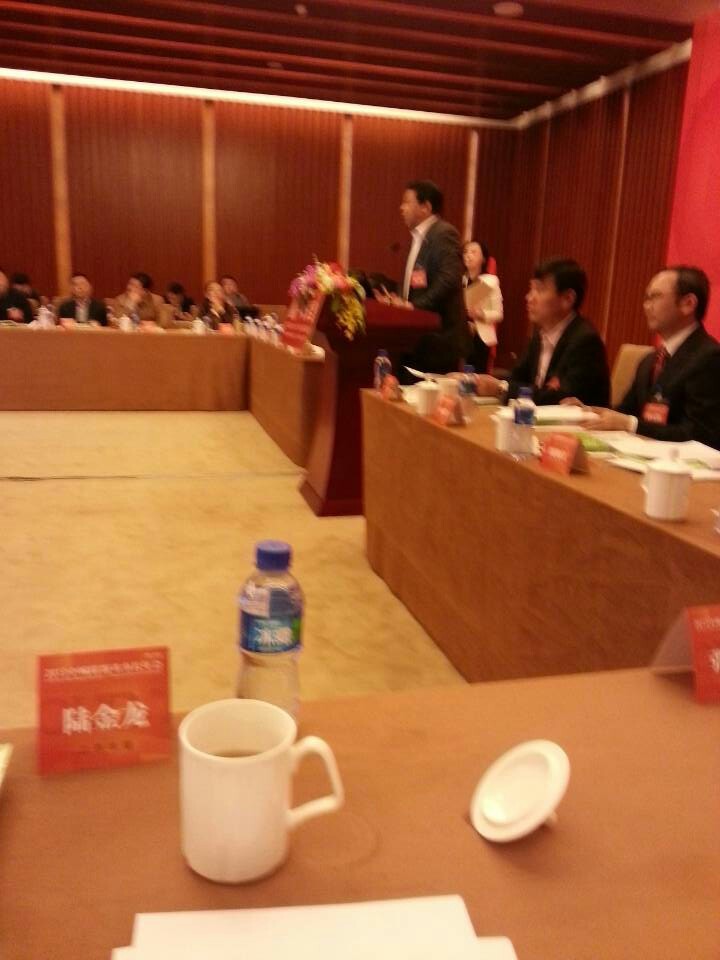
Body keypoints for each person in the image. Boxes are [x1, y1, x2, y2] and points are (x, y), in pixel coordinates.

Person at [578, 266, 720, 449]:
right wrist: (589, 412)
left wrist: (631, 424)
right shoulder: (650, 360)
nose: (646, 306)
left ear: (688, 304)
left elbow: (701, 435)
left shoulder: (710, 358)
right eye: (646, 298)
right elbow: (625, 412)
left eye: (655, 296)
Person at [471, 257, 610, 407]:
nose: (529, 297)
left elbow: (560, 400)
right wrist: (485, 382)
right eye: (531, 288)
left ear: (568, 299)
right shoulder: (540, 335)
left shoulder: (585, 341)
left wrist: (501, 388)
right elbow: (517, 378)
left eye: (540, 289)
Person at [377, 180, 468, 375]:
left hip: (439, 341)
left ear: (426, 207)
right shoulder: (417, 239)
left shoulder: (444, 233)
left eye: (407, 202)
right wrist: (397, 300)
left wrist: (414, 306)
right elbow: (418, 283)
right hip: (417, 339)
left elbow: (449, 279)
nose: (401, 208)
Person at [462, 240, 503, 373]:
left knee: (478, 376)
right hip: (463, 336)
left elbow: (499, 314)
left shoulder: (490, 282)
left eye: (473, 252)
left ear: (483, 258)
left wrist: (481, 314)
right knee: (462, 375)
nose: (468, 255)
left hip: (480, 338)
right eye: (466, 252)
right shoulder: (461, 280)